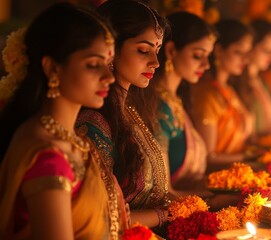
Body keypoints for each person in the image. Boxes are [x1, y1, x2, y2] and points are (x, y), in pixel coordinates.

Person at [0, 3, 116, 239]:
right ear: (53, 68)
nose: (109, 77)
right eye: (94, 65)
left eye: (108, 64)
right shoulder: (47, 157)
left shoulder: (74, 140)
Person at [76, 0, 171, 228]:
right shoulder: (92, 123)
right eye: (143, 50)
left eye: (157, 50)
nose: (155, 62)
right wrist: (166, 216)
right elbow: (103, 216)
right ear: (111, 50)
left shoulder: (130, 110)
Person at [143, 11, 216, 190]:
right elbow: (164, 192)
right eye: (198, 56)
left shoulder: (175, 100)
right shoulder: (157, 105)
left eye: (208, 56)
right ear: (171, 51)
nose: (206, 65)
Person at [190, 19, 254, 171]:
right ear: (218, 51)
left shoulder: (229, 90)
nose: (245, 60)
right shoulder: (208, 94)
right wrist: (250, 158)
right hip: (219, 180)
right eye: (238, 52)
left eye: (247, 53)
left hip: (239, 172)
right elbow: (208, 157)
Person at [233, 19, 271, 134]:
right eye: (265, 50)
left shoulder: (261, 80)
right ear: (251, 47)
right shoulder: (239, 84)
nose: (270, 56)